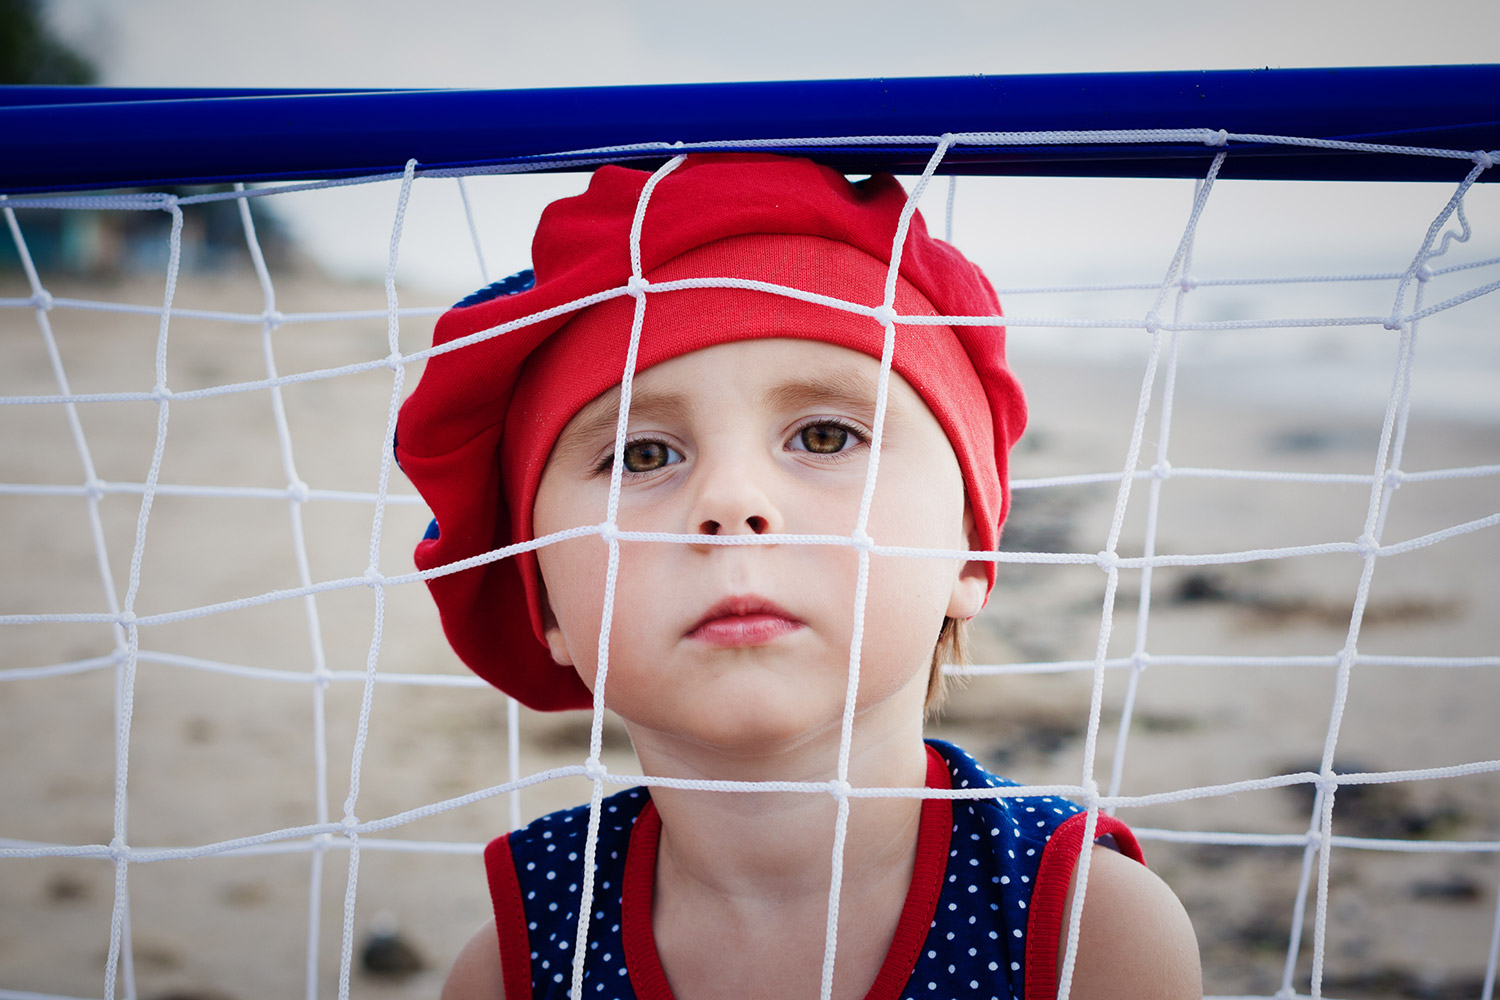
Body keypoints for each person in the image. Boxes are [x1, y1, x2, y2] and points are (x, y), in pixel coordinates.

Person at [395, 153, 1200, 1000]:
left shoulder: (1086, 932)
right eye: (641, 453)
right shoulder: (516, 965)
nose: (733, 501)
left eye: (823, 437)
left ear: (969, 551)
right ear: (545, 599)